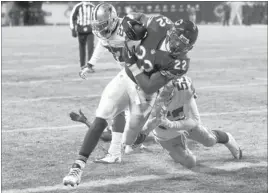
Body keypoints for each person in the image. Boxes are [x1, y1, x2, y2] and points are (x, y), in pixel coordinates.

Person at [63, 2, 197, 186]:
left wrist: (132, 61)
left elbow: (149, 86)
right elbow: (140, 17)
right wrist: (133, 23)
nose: (176, 45)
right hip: (125, 78)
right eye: (175, 39)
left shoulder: (181, 63)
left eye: (183, 44)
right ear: (170, 32)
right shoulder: (159, 23)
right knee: (101, 117)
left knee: (131, 143)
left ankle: (158, 138)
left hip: (145, 93)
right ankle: (76, 168)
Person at [133, 76, 242, 168]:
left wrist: (171, 124)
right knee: (190, 162)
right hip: (164, 133)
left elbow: (195, 120)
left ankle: (228, 139)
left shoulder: (183, 89)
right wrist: (139, 137)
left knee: (209, 140)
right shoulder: (145, 100)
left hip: (184, 122)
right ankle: (179, 149)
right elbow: (143, 130)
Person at [70, 1, 95, 71]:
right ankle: (82, 65)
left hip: (90, 30)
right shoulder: (78, 6)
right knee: (82, 48)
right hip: (81, 30)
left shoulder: (93, 7)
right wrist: (73, 29)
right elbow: (72, 18)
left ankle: (90, 66)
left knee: (90, 47)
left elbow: (96, 19)